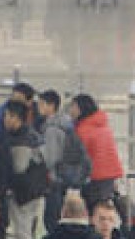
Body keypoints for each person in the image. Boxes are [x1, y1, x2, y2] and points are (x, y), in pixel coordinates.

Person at [39, 90, 91, 232]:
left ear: (51, 106)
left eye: (42, 104)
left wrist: (38, 154)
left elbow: (51, 158)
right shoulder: (67, 124)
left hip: (55, 178)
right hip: (67, 177)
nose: (39, 107)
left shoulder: (52, 129)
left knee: (51, 218)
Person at [69, 94, 123, 209]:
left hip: (94, 178)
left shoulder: (84, 129)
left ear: (82, 108)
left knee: (95, 212)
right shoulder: (101, 124)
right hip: (107, 177)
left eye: (73, 106)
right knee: (102, 210)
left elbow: (76, 156)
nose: (71, 110)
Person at [3, 101, 47, 239]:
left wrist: (8, 187)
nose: (4, 119)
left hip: (23, 194)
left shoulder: (20, 140)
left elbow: (19, 170)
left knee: (22, 231)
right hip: (34, 190)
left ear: (15, 117)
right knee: (27, 228)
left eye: (7, 116)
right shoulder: (32, 134)